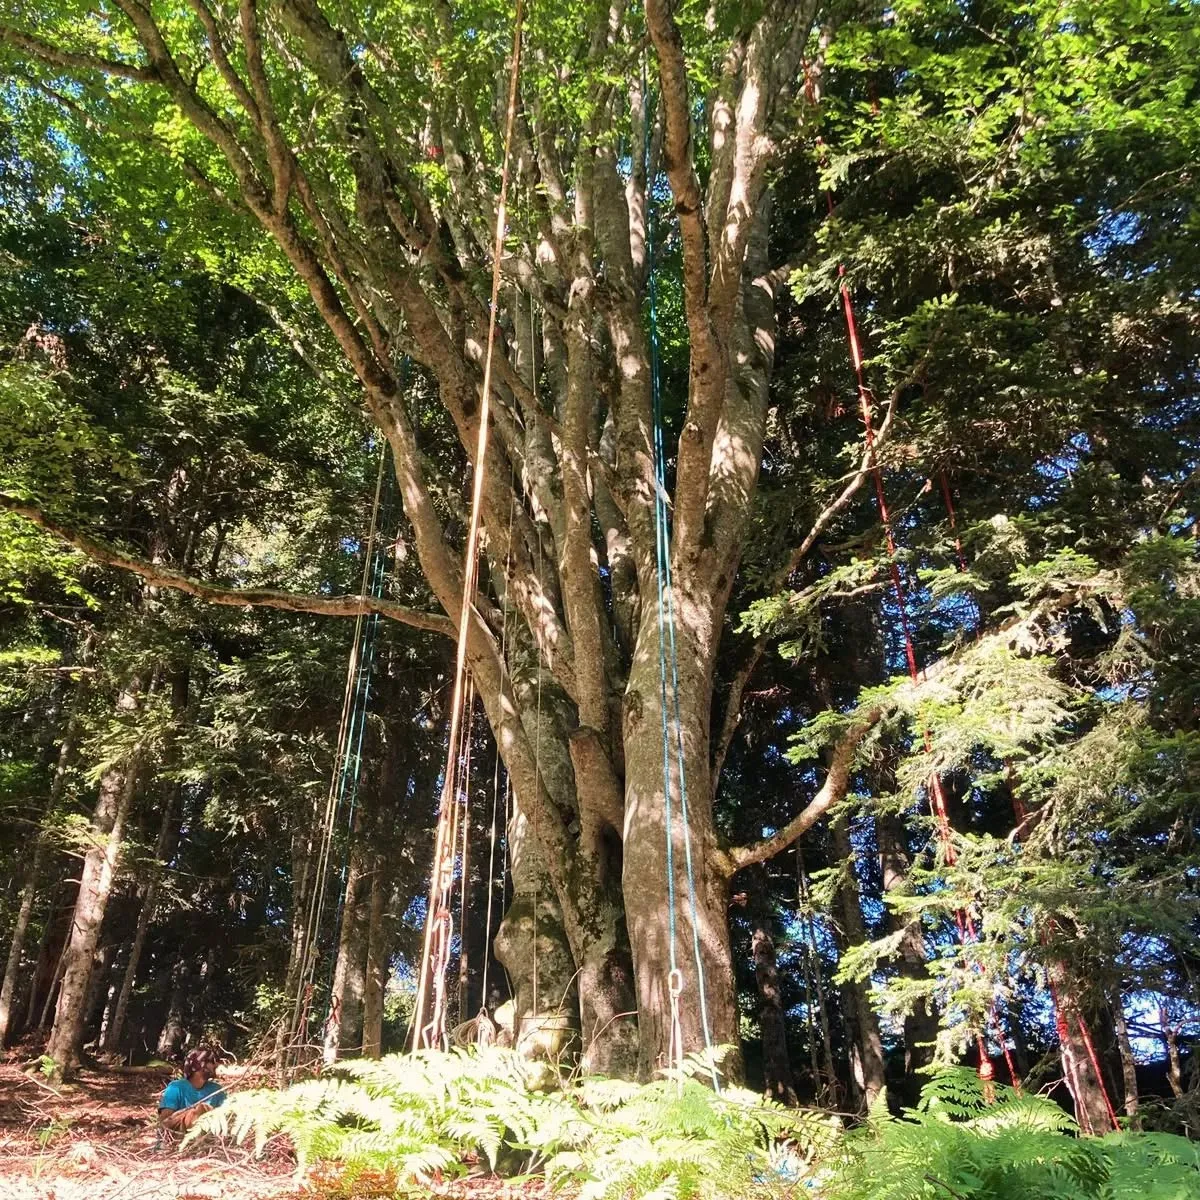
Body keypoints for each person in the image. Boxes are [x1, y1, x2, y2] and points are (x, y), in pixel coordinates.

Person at [158, 1046, 226, 1132]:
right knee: (200, 1109)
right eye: (212, 1061)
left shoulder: (217, 1090)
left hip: (209, 1139)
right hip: (179, 1137)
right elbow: (165, 1122)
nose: (215, 1065)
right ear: (201, 1064)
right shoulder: (176, 1088)